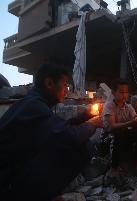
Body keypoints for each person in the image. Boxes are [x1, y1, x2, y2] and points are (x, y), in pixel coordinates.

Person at [0, 63, 102, 201]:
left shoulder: (31, 103)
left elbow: (58, 129)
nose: (67, 90)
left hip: (14, 174)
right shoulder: (35, 107)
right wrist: (93, 123)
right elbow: (68, 137)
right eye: (65, 84)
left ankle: (47, 193)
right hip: (8, 184)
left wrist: (84, 117)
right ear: (49, 83)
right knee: (82, 147)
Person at [102, 79, 137, 183]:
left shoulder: (128, 107)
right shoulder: (109, 106)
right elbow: (112, 126)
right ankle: (114, 169)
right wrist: (131, 122)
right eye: (121, 92)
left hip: (124, 136)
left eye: (126, 92)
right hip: (109, 138)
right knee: (118, 134)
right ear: (113, 93)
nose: (124, 95)